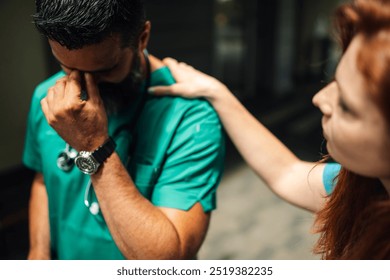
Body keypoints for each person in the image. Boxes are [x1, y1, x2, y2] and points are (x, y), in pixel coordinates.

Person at [149, 0, 390, 259]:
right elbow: (286, 172)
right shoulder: (365, 186)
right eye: (335, 80)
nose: (319, 99)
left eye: (345, 104)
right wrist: (215, 91)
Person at [23, 0, 225, 260]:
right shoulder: (47, 98)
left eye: (104, 71)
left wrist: (94, 147)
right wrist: (37, 253)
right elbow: (43, 181)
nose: (81, 87)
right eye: (68, 68)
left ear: (142, 38)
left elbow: (167, 263)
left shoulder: (191, 119)